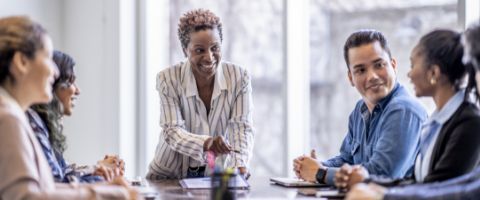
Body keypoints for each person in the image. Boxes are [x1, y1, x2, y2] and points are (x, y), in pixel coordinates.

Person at [0, 15, 136, 199]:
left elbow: (44, 189)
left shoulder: (13, 114)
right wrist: (105, 194)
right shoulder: (7, 117)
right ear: (21, 62)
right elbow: (26, 197)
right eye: (47, 58)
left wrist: (108, 190)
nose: (55, 72)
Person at [346, 23, 480, 200]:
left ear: (433, 73)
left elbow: (443, 189)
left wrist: (383, 195)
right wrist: (371, 183)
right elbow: (420, 183)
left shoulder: (469, 123)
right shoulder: (436, 122)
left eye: (413, 65)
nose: (409, 74)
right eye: (360, 70)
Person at [294, 29, 427, 186]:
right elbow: (347, 159)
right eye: (361, 70)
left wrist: (320, 173)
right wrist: (316, 166)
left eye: (379, 65)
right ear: (351, 78)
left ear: (393, 65)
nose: (372, 76)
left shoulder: (404, 110)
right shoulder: (360, 110)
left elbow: (380, 174)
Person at [146, 9, 254, 179]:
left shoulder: (239, 78)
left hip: (212, 177)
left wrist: (238, 164)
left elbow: (241, 127)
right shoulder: (168, 79)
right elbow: (172, 130)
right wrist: (206, 143)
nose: (209, 57)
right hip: (168, 177)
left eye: (215, 48)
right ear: (185, 50)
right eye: (199, 50)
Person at [28, 50, 125, 183]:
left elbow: (61, 171)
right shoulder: (32, 123)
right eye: (70, 81)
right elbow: (56, 184)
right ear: (52, 84)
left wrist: (95, 168)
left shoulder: (42, 123)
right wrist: (101, 182)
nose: (77, 90)